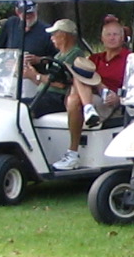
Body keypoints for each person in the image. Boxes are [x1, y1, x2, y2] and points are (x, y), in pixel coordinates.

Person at [23, 19, 88, 170]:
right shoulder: (59, 55)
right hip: (45, 96)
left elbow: (61, 83)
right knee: (17, 105)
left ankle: (30, 154)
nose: (51, 38)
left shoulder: (75, 55)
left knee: (24, 112)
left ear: (64, 35)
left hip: (58, 98)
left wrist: (35, 75)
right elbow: (46, 82)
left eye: (54, 34)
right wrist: (31, 75)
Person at [71, 15, 130, 134]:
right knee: (79, 77)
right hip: (91, 95)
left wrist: (119, 99)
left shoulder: (129, 58)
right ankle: (89, 108)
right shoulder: (95, 58)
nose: (112, 38)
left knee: (73, 100)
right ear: (102, 38)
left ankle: (73, 147)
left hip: (111, 101)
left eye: (115, 34)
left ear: (122, 38)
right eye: (108, 35)